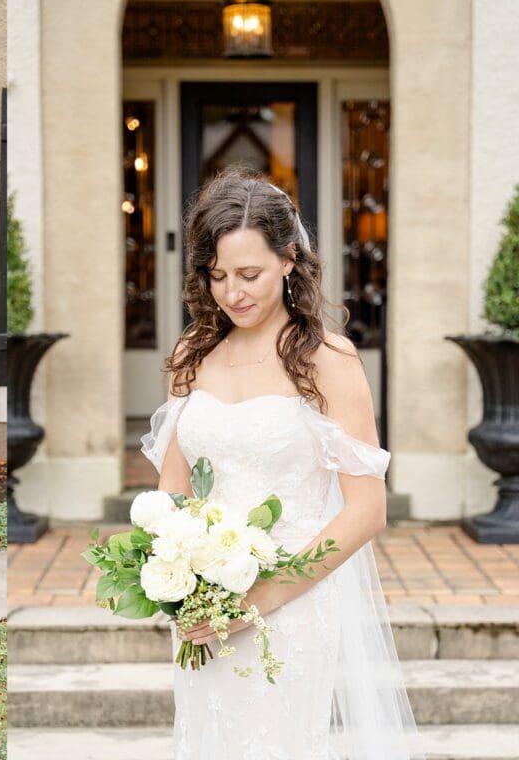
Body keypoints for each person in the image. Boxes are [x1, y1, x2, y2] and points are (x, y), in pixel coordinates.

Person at [141, 171, 424, 759]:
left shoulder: (329, 361)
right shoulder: (192, 354)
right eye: (217, 276)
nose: (232, 293)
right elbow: (172, 487)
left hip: (290, 607)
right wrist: (175, 571)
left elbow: (367, 511)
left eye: (250, 275)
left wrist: (259, 599)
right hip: (204, 608)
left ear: (290, 259)